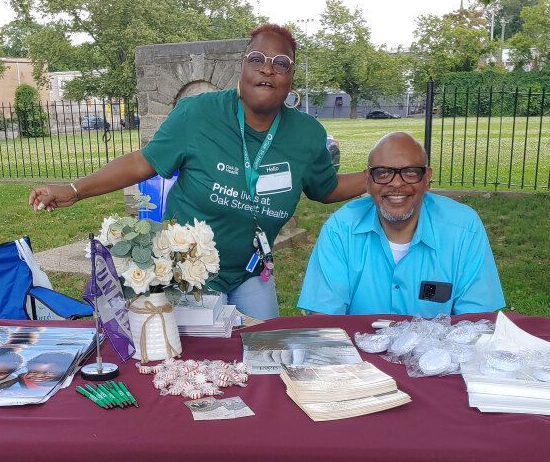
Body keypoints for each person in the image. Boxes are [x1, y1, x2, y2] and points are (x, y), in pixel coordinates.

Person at [28, 23, 369, 320]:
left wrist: (379, 177)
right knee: (197, 364)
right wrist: (75, 189)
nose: (268, 69)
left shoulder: (306, 134)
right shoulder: (198, 114)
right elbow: (142, 162)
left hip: (251, 272)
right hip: (190, 274)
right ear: (243, 67)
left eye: (281, 63)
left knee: (262, 358)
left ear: (291, 75)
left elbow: (324, 188)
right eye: (257, 59)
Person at [297, 132, 505, 316]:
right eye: (383, 173)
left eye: (410, 172)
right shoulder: (340, 230)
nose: (397, 183)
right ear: (368, 181)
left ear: (427, 179)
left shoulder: (464, 228)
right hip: (358, 356)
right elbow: (324, 320)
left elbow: (477, 321)